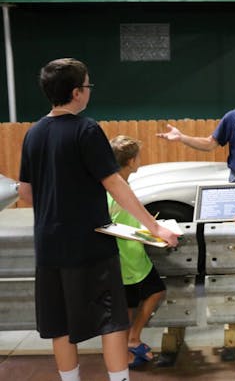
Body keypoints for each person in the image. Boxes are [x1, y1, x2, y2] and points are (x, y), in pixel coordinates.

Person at [18, 58, 179, 381]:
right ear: (77, 92)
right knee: (112, 320)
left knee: (60, 324)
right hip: (90, 247)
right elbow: (115, 184)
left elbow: (26, 193)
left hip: (49, 247)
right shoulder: (86, 129)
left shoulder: (33, 134)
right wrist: (155, 226)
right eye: (88, 85)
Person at [107, 135, 167, 369]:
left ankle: (133, 338)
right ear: (131, 161)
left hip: (136, 258)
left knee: (156, 291)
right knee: (127, 310)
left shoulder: (121, 184)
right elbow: (109, 224)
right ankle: (124, 355)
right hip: (126, 262)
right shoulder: (113, 190)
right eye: (139, 157)